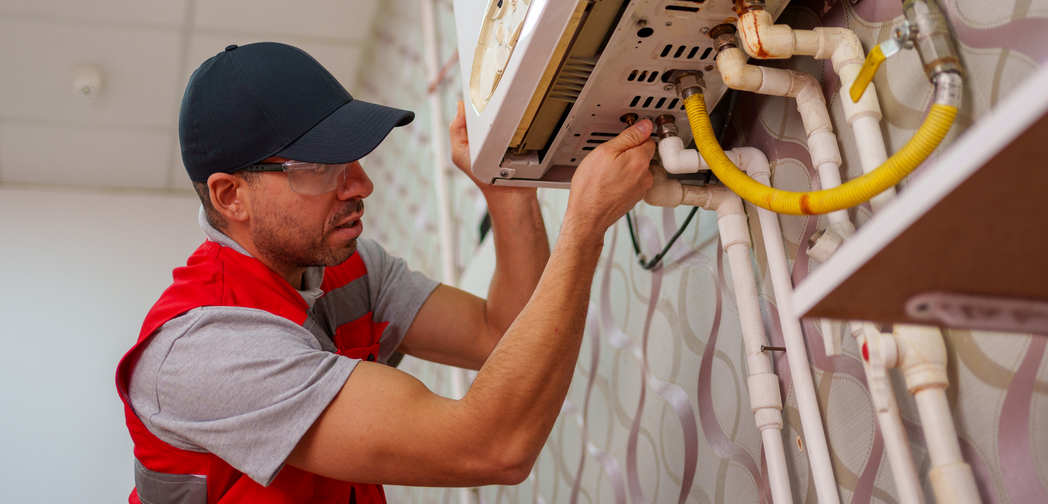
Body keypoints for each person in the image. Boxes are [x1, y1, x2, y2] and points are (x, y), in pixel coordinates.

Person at [116, 41, 654, 503]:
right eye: (321, 167)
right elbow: (493, 447)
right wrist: (583, 230)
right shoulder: (202, 350)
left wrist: (507, 198)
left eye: (352, 154)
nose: (361, 184)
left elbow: (501, 335)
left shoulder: (350, 266)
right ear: (232, 196)